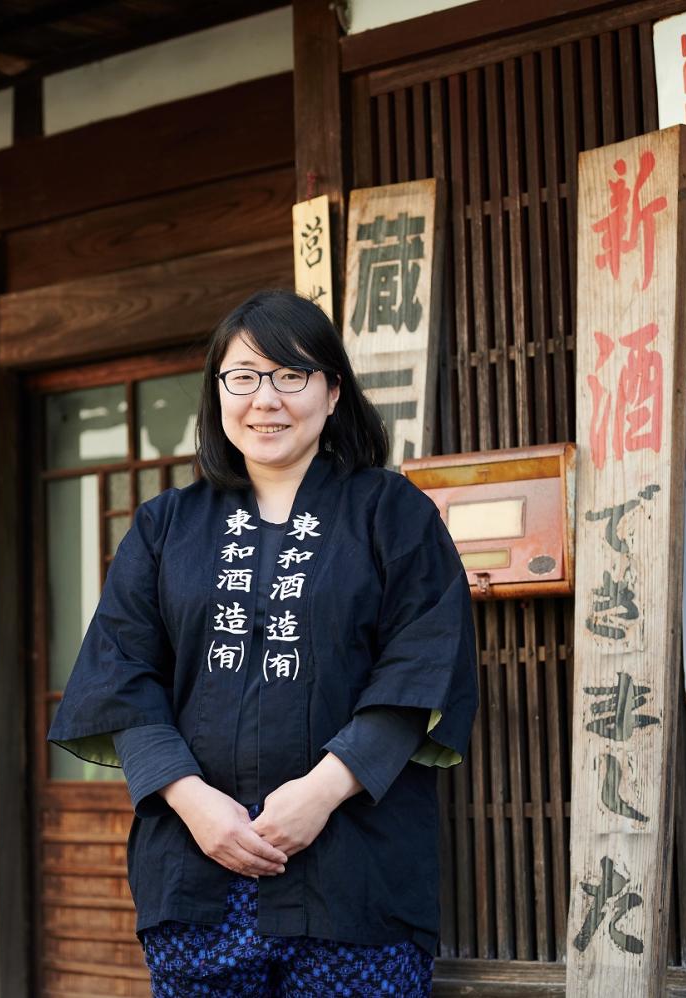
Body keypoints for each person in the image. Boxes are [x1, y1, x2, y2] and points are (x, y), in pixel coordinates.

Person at [47, 289, 478, 996]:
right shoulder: (164, 527)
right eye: (243, 376)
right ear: (219, 393)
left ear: (333, 391)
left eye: (291, 375)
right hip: (196, 872)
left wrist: (321, 792)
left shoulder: (393, 513)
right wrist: (194, 803)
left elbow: (422, 666)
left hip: (354, 873)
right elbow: (119, 675)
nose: (265, 399)